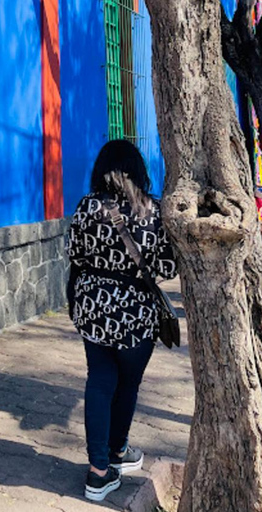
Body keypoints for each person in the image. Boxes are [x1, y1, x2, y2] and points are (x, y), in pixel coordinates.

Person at [65, 139, 177, 502]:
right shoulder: (153, 211)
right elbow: (167, 266)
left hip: (94, 306)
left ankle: (98, 472)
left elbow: (74, 254)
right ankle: (118, 451)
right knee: (127, 385)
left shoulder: (86, 208)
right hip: (136, 312)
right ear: (138, 170)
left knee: (99, 381)